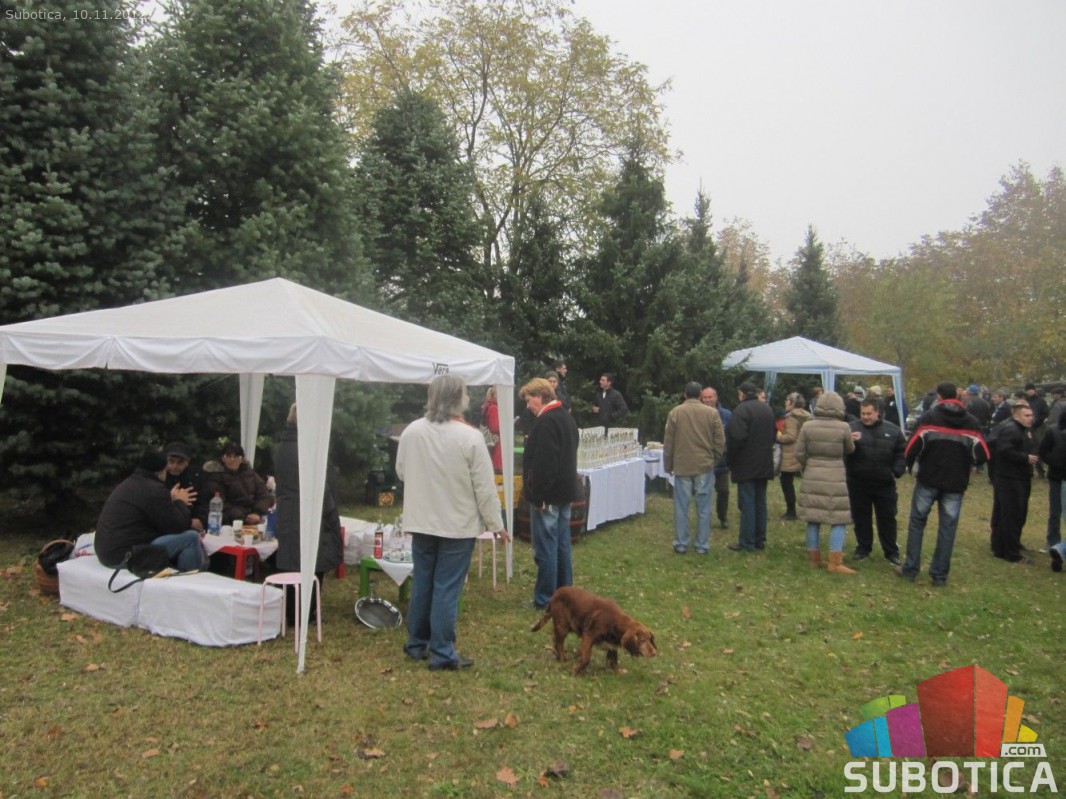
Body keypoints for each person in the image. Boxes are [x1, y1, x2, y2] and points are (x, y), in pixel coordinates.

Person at [396, 375, 507, 671]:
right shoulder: (470, 437)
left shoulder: (412, 431)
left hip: (422, 521)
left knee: (423, 582)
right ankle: (442, 652)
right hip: (456, 525)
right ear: (459, 399)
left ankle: (417, 643)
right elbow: (484, 487)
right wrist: (496, 524)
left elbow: (402, 471)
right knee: (446, 587)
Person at [899, 381, 989, 586]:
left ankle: (911, 569)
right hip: (956, 481)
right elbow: (983, 453)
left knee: (917, 523)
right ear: (957, 396)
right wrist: (969, 462)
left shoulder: (929, 417)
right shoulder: (971, 422)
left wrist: (910, 465)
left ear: (939, 397)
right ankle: (939, 575)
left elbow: (911, 447)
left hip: (929, 477)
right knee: (948, 528)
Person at [274, 403, 343, 625]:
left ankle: (291, 611)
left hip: (288, 510)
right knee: (313, 561)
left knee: (292, 562)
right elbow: (320, 486)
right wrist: (330, 511)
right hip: (310, 511)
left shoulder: (282, 446)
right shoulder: (307, 447)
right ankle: (306, 612)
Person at [521, 377, 581, 609]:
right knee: (562, 545)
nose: (528, 405)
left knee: (546, 547)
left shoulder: (546, 422)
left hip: (549, 496)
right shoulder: (566, 417)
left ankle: (545, 598)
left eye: (529, 400)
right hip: (565, 492)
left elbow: (545, 464)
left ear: (540, 396)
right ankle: (566, 593)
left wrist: (538, 496)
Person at [94, 451, 204, 572]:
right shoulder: (154, 490)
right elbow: (178, 526)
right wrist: (180, 501)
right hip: (125, 556)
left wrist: (170, 500)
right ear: (162, 471)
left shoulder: (130, 483)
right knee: (191, 538)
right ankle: (189, 579)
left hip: (107, 552)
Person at [795, 390, 856, 573]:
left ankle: (814, 558)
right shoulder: (844, 427)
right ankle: (835, 561)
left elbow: (799, 452)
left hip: (812, 474)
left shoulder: (807, 426)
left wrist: (809, 464)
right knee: (839, 518)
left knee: (813, 517)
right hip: (835, 475)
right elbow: (850, 449)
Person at [663, 381, 725, 555]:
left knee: (681, 506)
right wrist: (714, 459)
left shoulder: (675, 412)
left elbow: (668, 443)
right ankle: (702, 544)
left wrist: (668, 465)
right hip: (704, 465)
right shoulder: (712, 413)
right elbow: (720, 441)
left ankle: (681, 543)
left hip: (683, 464)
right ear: (700, 395)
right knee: (704, 507)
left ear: (684, 394)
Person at [846, 397, 906, 565]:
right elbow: (841, 450)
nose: (865, 417)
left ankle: (891, 551)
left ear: (877, 413)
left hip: (884, 483)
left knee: (887, 517)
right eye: (863, 413)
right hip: (858, 482)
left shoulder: (893, 430)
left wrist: (897, 469)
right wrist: (849, 442)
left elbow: (902, 451)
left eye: (869, 414)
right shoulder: (851, 428)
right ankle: (863, 548)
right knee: (860, 517)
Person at [726, 382, 777, 552]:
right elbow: (773, 435)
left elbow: (736, 438)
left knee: (747, 503)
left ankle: (747, 541)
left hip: (746, 462)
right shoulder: (767, 409)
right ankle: (759, 538)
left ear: (742, 394)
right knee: (760, 501)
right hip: (764, 461)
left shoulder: (741, 410)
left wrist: (731, 460)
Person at [990, 400, 1038, 564]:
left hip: (1016, 476)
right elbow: (1004, 450)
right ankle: (1011, 553)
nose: (1030, 418)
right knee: (1012, 514)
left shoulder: (1021, 430)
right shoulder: (1011, 429)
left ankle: (1002, 547)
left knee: (1007, 513)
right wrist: (1025, 458)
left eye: (1031, 415)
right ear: (1016, 416)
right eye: (1027, 416)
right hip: (1010, 478)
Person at [199, 441, 273, 526]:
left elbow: (264, 495)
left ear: (242, 459)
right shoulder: (216, 476)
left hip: (254, 517)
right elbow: (221, 504)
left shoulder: (250, 473)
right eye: (228, 456)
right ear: (223, 458)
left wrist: (257, 512)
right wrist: (244, 517)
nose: (232, 459)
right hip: (231, 521)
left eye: (236, 456)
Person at [776, 393, 811, 520]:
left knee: (786, 482)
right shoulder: (806, 416)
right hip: (802, 451)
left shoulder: (791, 418)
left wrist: (779, 437)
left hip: (790, 453)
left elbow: (791, 436)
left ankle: (791, 511)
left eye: (787, 401)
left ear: (792, 403)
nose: (785, 403)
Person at [701, 386, 732, 528]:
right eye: (705, 397)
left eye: (710, 397)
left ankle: (723, 517)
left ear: (716, 397)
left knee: (723, 491)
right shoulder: (698, 414)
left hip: (722, 461)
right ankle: (704, 518)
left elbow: (731, 436)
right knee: (704, 492)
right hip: (704, 460)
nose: (708, 400)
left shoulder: (726, 415)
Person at [1038, 410, 1066, 554]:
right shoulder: (1053, 431)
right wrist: (1054, 461)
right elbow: (1043, 451)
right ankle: (1052, 542)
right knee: (1055, 511)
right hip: (1057, 477)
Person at [162, 441, 204, 532]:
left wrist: (200, 519)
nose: (174, 466)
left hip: (193, 520)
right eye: (171, 461)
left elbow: (202, 501)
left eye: (179, 462)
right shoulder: (160, 477)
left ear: (187, 462)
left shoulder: (195, 476)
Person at [1025, 383, 1049, 479]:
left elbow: (1045, 413)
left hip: (1037, 428)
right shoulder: (1026, 401)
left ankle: (1041, 472)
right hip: (1026, 427)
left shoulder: (1041, 401)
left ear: (1034, 390)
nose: (1029, 391)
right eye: (1028, 389)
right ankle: (1029, 471)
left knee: (1037, 449)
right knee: (1027, 448)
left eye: (1031, 389)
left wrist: (1038, 422)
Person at [481, 387, 503, 473]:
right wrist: (507, 426)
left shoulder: (488, 406)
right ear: (494, 395)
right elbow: (494, 428)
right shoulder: (494, 408)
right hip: (496, 446)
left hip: (492, 445)